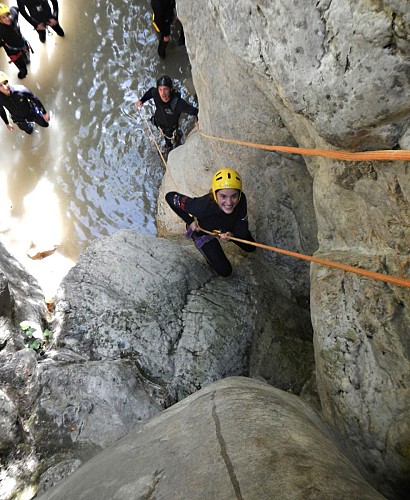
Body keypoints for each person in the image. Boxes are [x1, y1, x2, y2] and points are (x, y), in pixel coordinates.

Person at [165, 168, 256, 277]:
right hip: (203, 231)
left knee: (251, 247)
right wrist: (190, 221)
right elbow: (170, 197)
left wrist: (230, 234)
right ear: (215, 193)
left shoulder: (241, 200)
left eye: (234, 196)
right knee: (225, 272)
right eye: (223, 196)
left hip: (227, 227)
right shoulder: (200, 207)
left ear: (239, 194)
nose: (229, 202)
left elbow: (242, 229)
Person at [136, 74, 198, 153]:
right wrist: (142, 100)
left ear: (171, 89)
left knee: (171, 140)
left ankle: (174, 142)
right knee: (167, 139)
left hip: (171, 128)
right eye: (160, 90)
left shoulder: (178, 103)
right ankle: (169, 145)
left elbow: (194, 111)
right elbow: (151, 92)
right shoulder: (156, 93)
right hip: (158, 122)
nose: (163, 93)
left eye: (165, 89)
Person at [0, 3, 31, 79]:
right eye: (3, 17)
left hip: (23, 44)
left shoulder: (13, 16)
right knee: (23, 71)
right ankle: (22, 73)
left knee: (27, 59)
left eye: (7, 15)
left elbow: (15, 8)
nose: (7, 19)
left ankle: (27, 61)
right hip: (14, 53)